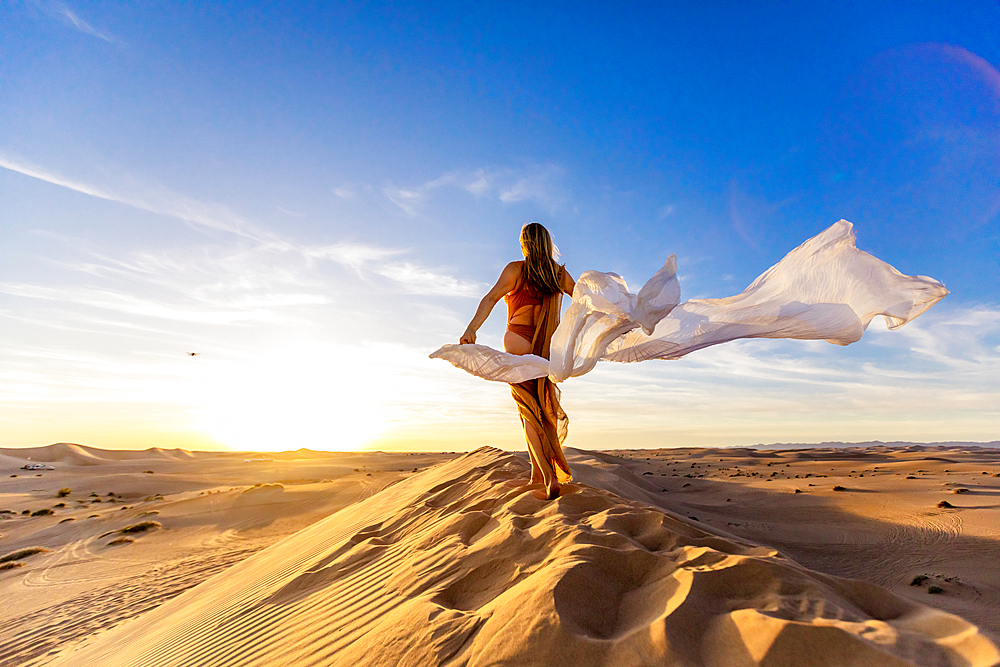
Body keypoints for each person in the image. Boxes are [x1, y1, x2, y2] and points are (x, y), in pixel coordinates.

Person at [459, 222, 575, 499]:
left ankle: (548, 476)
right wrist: (614, 321)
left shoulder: (515, 269)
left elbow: (490, 299)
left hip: (518, 340)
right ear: (547, 243)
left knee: (527, 409)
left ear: (525, 243)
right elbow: (585, 300)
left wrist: (471, 329)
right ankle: (537, 473)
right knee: (541, 408)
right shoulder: (558, 274)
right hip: (546, 347)